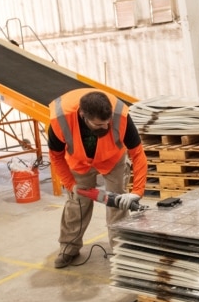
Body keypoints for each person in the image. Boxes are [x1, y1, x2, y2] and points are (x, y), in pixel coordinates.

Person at [47, 88, 148, 268]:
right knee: (76, 203)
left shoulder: (120, 116)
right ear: (83, 115)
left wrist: (137, 192)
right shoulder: (61, 119)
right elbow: (55, 156)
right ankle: (68, 248)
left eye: (107, 123)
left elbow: (138, 154)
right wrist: (70, 184)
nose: (106, 127)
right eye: (99, 125)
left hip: (112, 158)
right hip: (79, 161)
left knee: (118, 201)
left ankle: (120, 249)